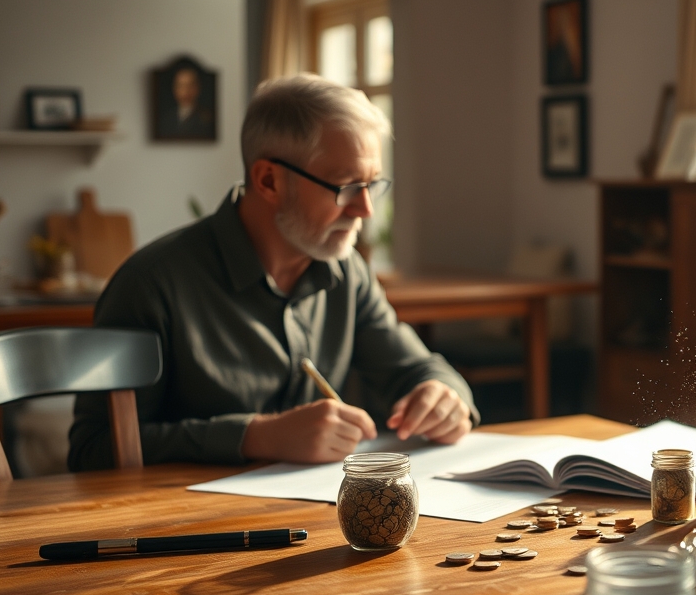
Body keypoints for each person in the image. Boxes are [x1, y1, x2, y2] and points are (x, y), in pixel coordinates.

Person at [70, 74, 476, 470]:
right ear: (268, 180)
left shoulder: (348, 273)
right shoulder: (151, 286)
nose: (365, 210)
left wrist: (444, 395)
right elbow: (93, 450)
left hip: (315, 523)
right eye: (347, 187)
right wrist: (254, 436)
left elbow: (415, 369)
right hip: (185, 530)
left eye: (373, 185)